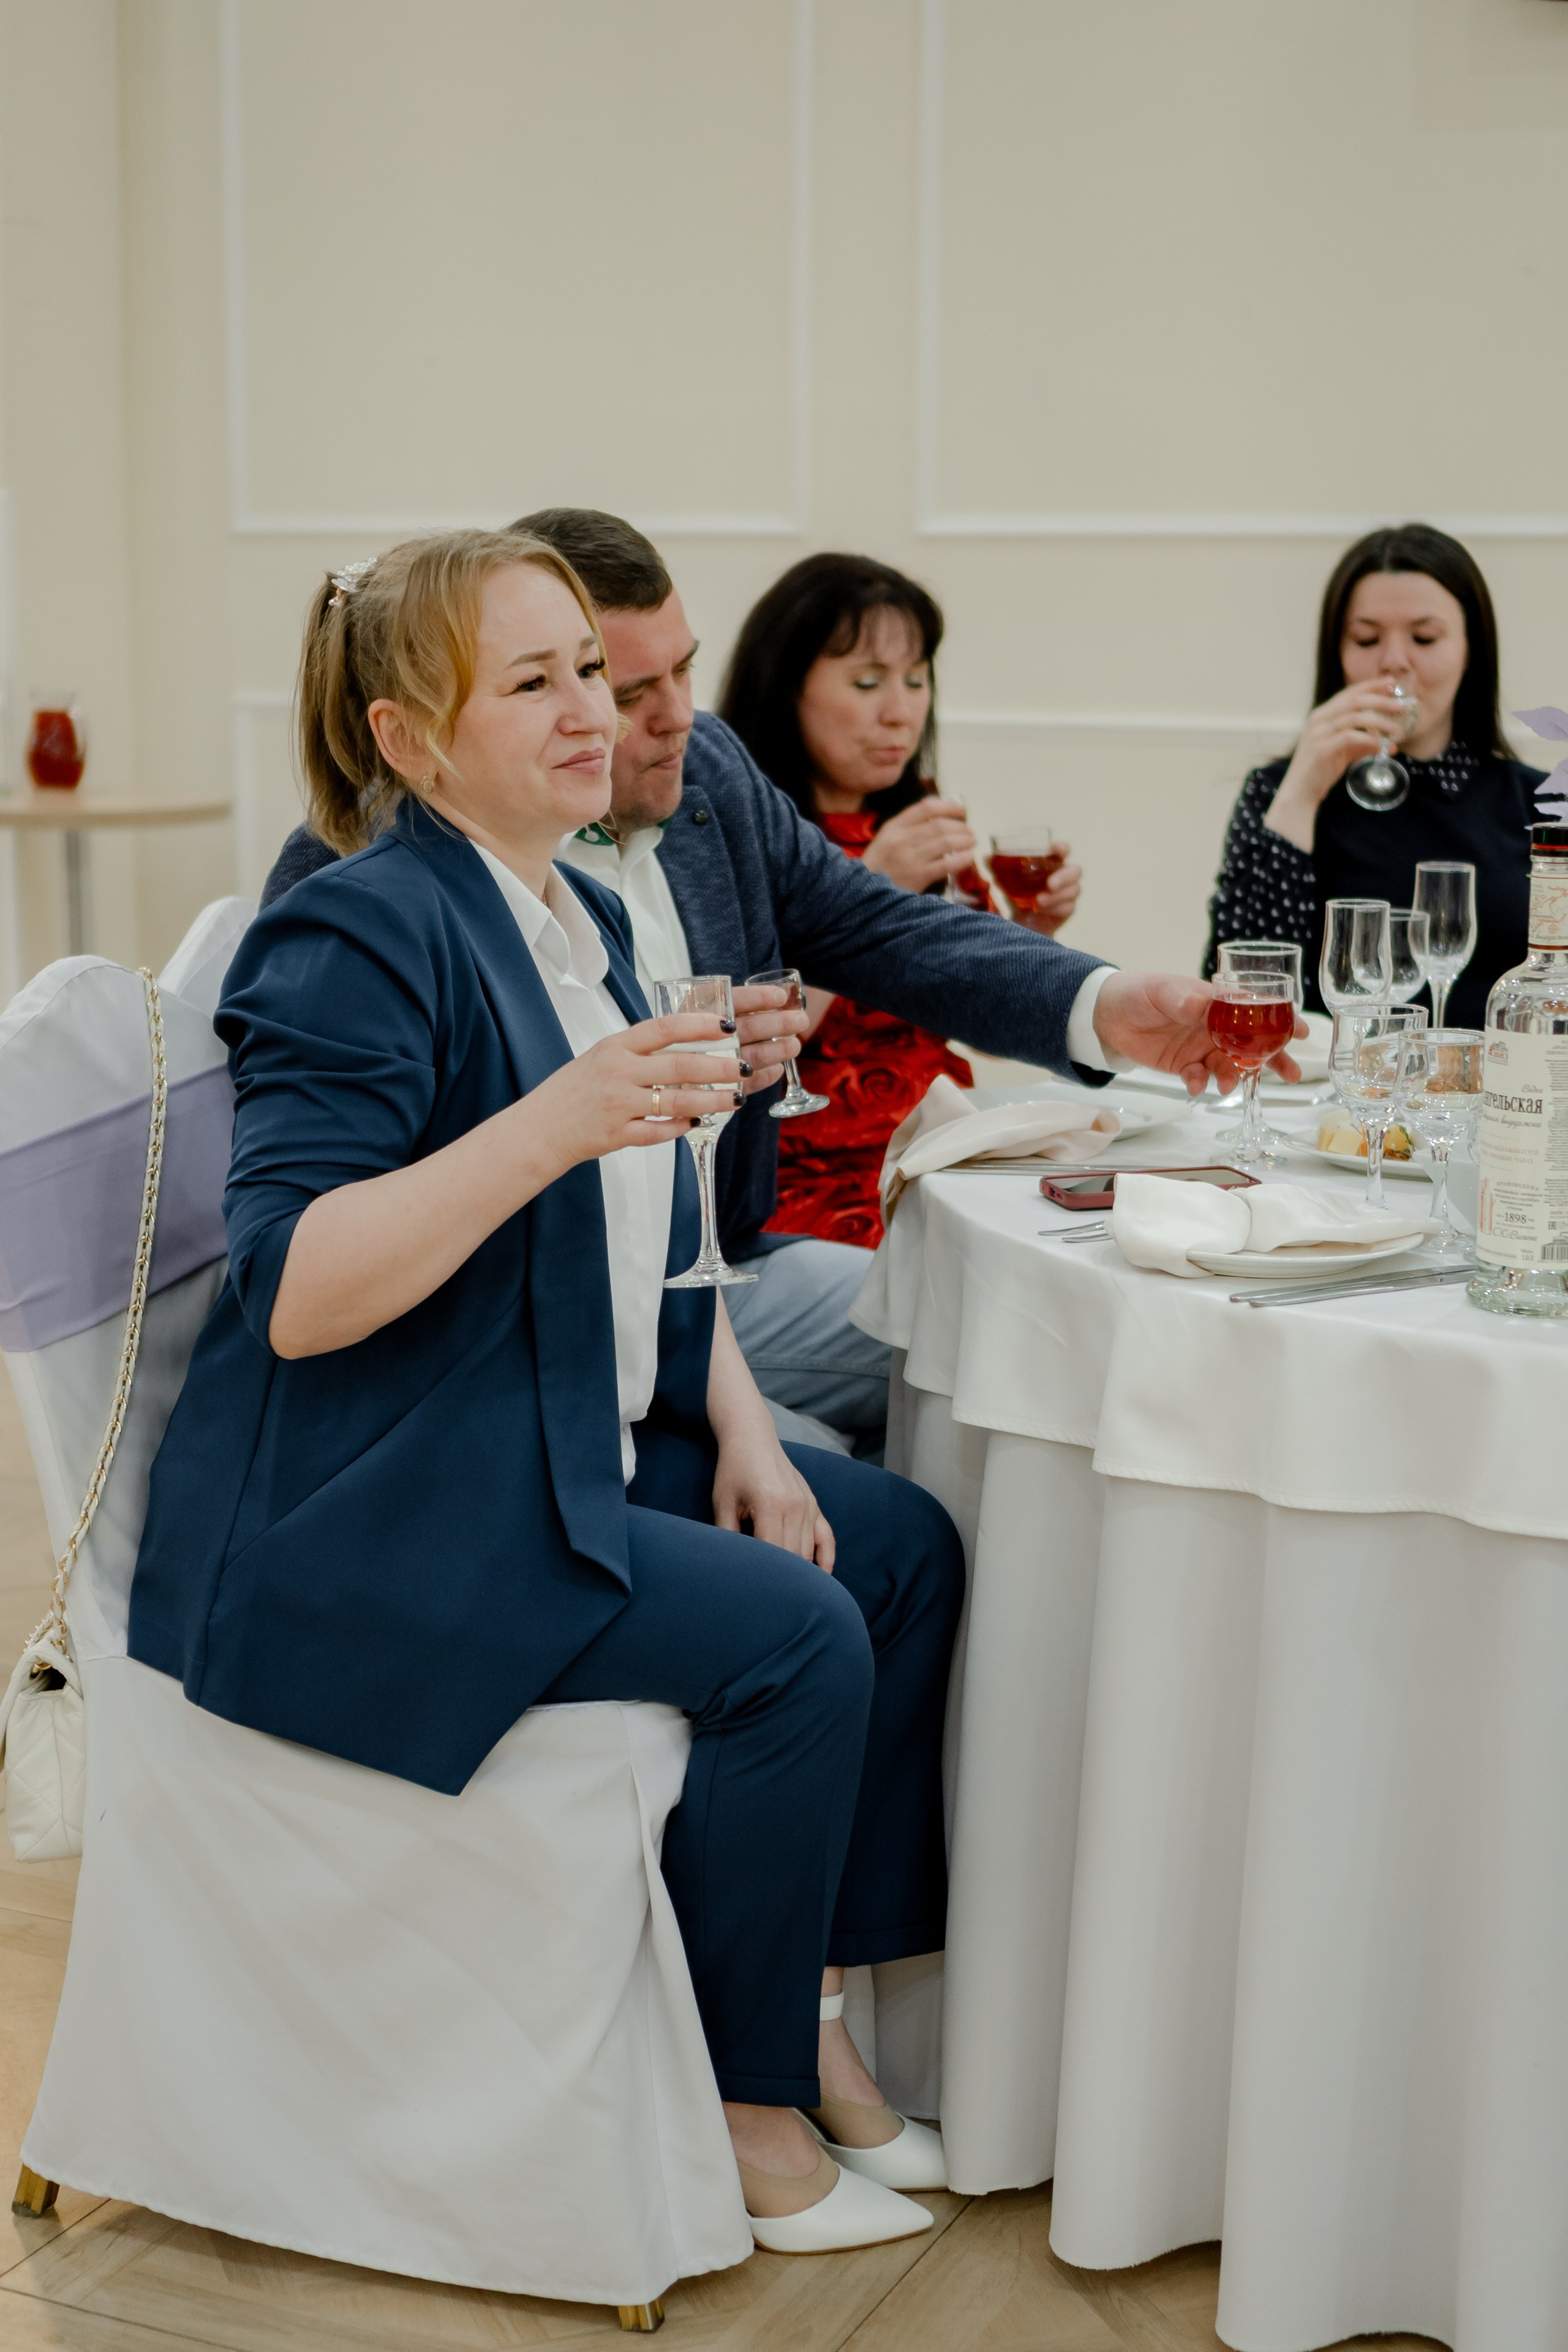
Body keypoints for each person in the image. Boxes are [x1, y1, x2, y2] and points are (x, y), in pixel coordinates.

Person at [130, 529, 968, 2254]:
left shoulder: (579, 910)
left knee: (897, 1550)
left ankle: (806, 2017)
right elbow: (296, 1290)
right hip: (376, 1514)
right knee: (800, 1636)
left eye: (588, 666)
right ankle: (745, 2105)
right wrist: (557, 1121)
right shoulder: (354, 929)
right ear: (408, 740)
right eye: (534, 682)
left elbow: (651, 1227)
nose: (596, 709)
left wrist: (742, 1423)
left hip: (539, 1435)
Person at [265, 511, 1294, 1460]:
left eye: (674, 672)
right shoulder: (358, 870)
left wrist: (1107, 1005)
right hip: (523, 1327)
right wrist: (657, 1081)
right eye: (623, 689)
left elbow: (878, 924)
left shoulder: (703, 772)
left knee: (1031, 1337)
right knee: (886, 1467)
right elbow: (335, 1191)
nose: (673, 718)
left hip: (723, 1267)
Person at [717, 552, 1082, 1248]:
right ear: (785, 685)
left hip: (949, 1148)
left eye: (916, 681)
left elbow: (971, 1016)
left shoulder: (919, 818)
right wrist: (869, 886)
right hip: (813, 1172)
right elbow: (738, 1047)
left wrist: (1031, 929)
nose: (900, 712)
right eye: (867, 682)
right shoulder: (740, 835)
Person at [1205, 522, 1551, 1025]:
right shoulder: (1279, 792)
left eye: (1424, 637)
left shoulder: (1539, 803)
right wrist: (1302, 788)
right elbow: (1241, 997)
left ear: (1470, 651)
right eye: (1366, 639)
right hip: (1333, 1076)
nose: (1393, 663)